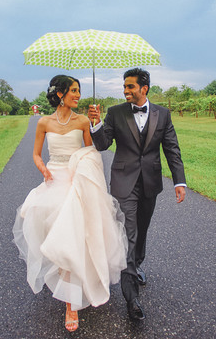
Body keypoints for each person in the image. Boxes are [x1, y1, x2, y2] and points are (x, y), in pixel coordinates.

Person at [13, 75, 127, 332]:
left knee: (73, 234)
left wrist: (96, 123)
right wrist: (43, 169)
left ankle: (71, 304)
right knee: (52, 229)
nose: (78, 95)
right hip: (53, 178)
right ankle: (67, 286)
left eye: (79, 90)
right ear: (61, 93)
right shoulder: (43, 122)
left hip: (78, 181)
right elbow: (35, 153)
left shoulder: (83, 120)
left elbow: (93, 152)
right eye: (74, 91)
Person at [88, 68, 186, 321]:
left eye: (130, 86)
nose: (125, 91)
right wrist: (95, 123)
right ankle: (132, 299)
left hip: (150, 182)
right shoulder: (115, 112)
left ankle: (137, 264)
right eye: (124, 86)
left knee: (142, 229)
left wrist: (180, 181)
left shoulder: (162, 114)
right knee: (128, 233)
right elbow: (102, 145)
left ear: (144, 88)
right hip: (124, 182)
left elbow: (171, 149)